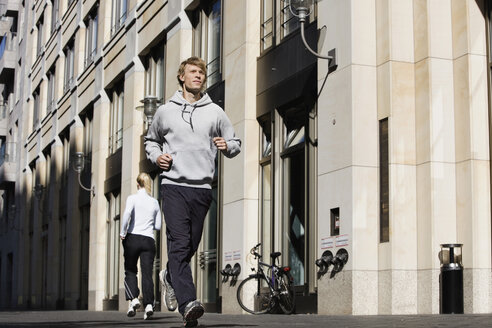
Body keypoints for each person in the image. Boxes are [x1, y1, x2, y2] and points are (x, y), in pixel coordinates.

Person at [145, 56, 241, 327]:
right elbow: (150, 141)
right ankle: (188, 303)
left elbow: (235, 142)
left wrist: (227, 146)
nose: (198, 76)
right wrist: (156, 158)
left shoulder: (215, 112)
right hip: (173, 186)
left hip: (201, 189)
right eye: (193, 72)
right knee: (179, 243)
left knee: (190, 245)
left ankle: (170, 277)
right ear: (182, 77)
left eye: (201, 72)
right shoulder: (165, 112)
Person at [120, 172, 162, 320]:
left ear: (138, 184)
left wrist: (122, 232)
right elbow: (158, 226)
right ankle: (149, 305)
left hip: (133, 238)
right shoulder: (155, 202)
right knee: (147, 273)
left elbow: (126, 215)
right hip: (148, 240)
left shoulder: (132, 198)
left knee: (130, 270)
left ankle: (134, 299)